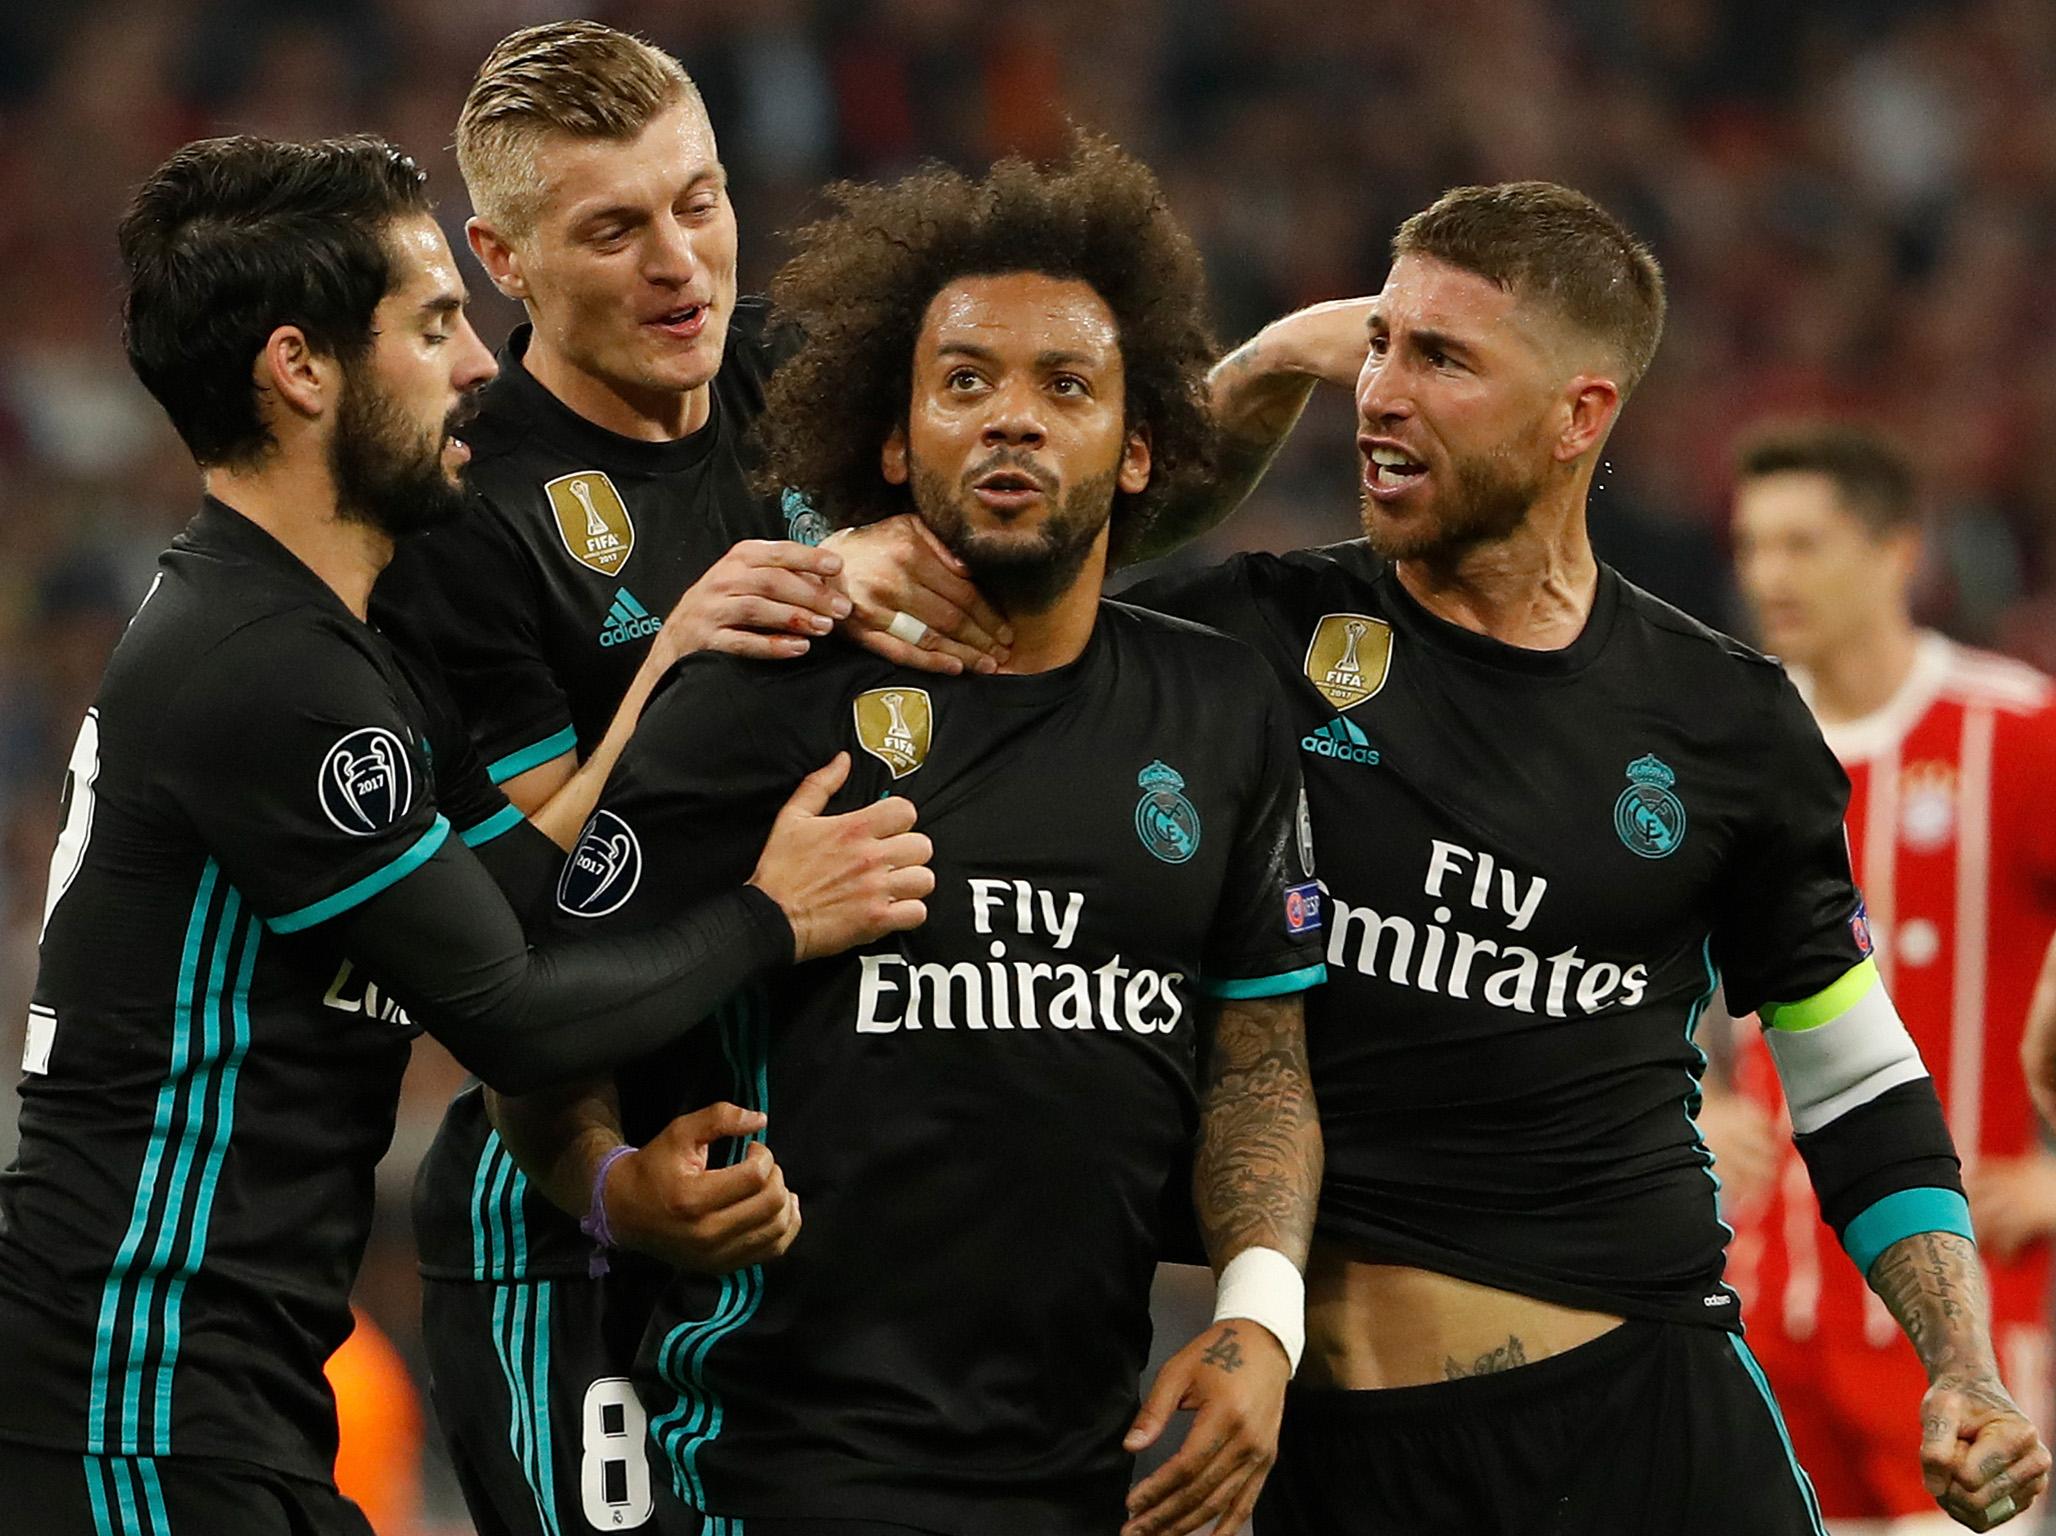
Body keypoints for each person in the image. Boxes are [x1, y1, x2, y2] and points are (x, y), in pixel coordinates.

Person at [0, 133, 931, 1534]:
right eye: (433, 326)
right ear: (301, 369)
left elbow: (524, 898)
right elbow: (514, 1013)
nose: (480, 365)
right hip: (127, 1387)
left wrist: (673, 664)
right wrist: (774, 915)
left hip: (209, 1391)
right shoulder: (265, 671)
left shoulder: (328, 644)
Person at [1121, 180, 2051, 1533]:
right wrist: (1269, 360)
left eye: (1442, 358)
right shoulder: (1265, 638)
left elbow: (1853, 1080)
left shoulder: (1722, 718)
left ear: (1580, 416)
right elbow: (1047, 562)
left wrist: (1959, 1361)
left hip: (1640, 1437)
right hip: (1328, 1455)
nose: (1381, 393)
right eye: (1380, 344)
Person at [491, 137, 1326, 1536]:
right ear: (892, 442)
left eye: (1066, 386)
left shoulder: (1220, 708)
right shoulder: (759, 694)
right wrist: (615, 1191)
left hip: (1089, 1465)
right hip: (776, 1465)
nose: (1011, 419)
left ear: (1139, 453)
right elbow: (538, 1015)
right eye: (964, 383)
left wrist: (1260, 1319)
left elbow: (1259, 1059)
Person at [375, 24, 1018, 1535]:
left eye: (703, 201)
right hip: (583, 1216)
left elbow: (1066, 518)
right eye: (616, 228)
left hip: (831, 1180)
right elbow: (521, 931)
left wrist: (1270, 374)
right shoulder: (459, 511)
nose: (683, 264)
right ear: (504, 259)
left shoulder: (813, 391)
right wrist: (683, 656)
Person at [1711, 422, 2056, 1526]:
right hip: (1768, 1310)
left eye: (1802, 544)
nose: (1769, 575)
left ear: (1897, 551)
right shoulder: (1734, 745)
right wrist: (1701, 1103)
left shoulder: (2014, 731)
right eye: (1753, 545)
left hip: (1967, 1323)